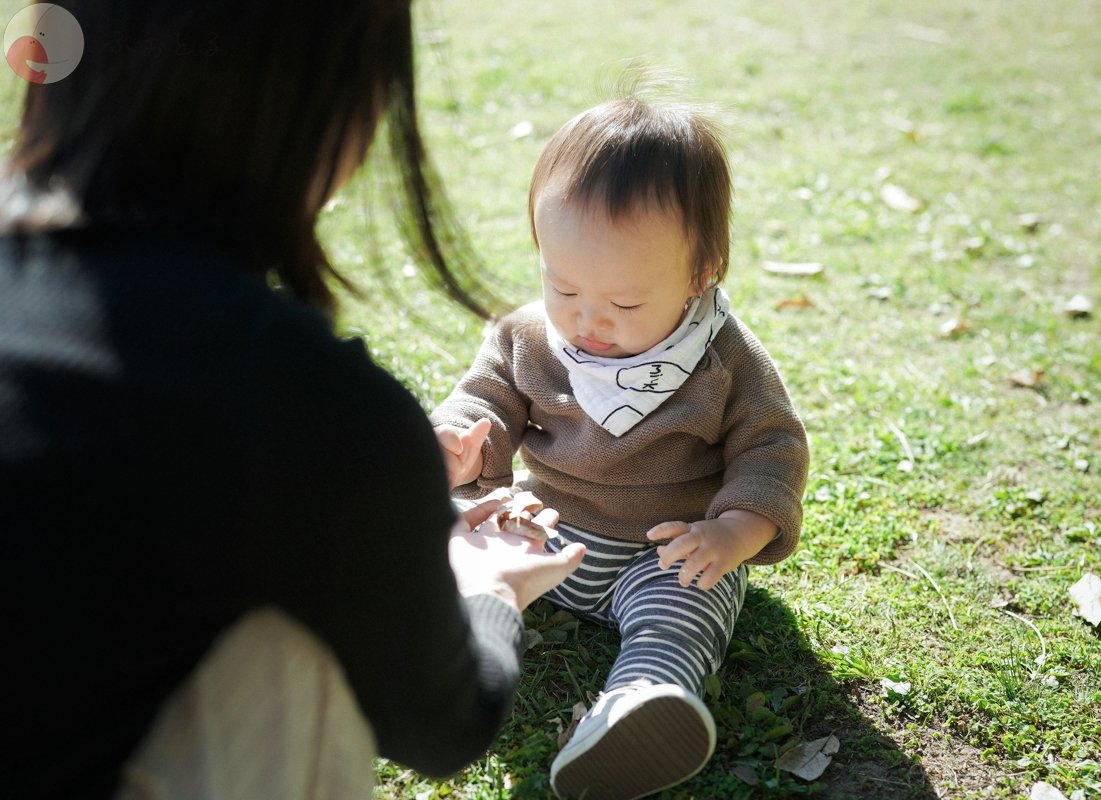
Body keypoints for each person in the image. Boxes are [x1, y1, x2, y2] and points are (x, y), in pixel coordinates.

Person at [0, 2, 585, 798]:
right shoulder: (288, 399)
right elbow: (446, 724)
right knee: (283, 648)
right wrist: (489, 588)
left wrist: (405, 517)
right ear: (339, 100)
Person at [431, 83, 811, 799]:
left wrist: (733, 531)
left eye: (625, 302)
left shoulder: (722, 359)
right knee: (454, 534)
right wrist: (462, 441)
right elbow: (488, 396)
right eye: (562, 287)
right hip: (539, 530)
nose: (588, 321)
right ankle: (427, 639)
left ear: (701, 274)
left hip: (664, 551)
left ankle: (640, 702)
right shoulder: (528, 337)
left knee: (692, 602)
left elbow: (772, 447)